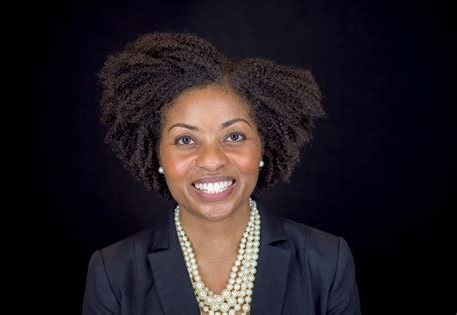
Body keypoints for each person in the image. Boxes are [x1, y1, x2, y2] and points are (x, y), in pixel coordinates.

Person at [83, 32, 361, 315]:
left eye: (234, 136)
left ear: (263, 148)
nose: (212, 160)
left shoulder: (327, 262)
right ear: (158, 156)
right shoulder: (113, 273)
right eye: (186, 140)